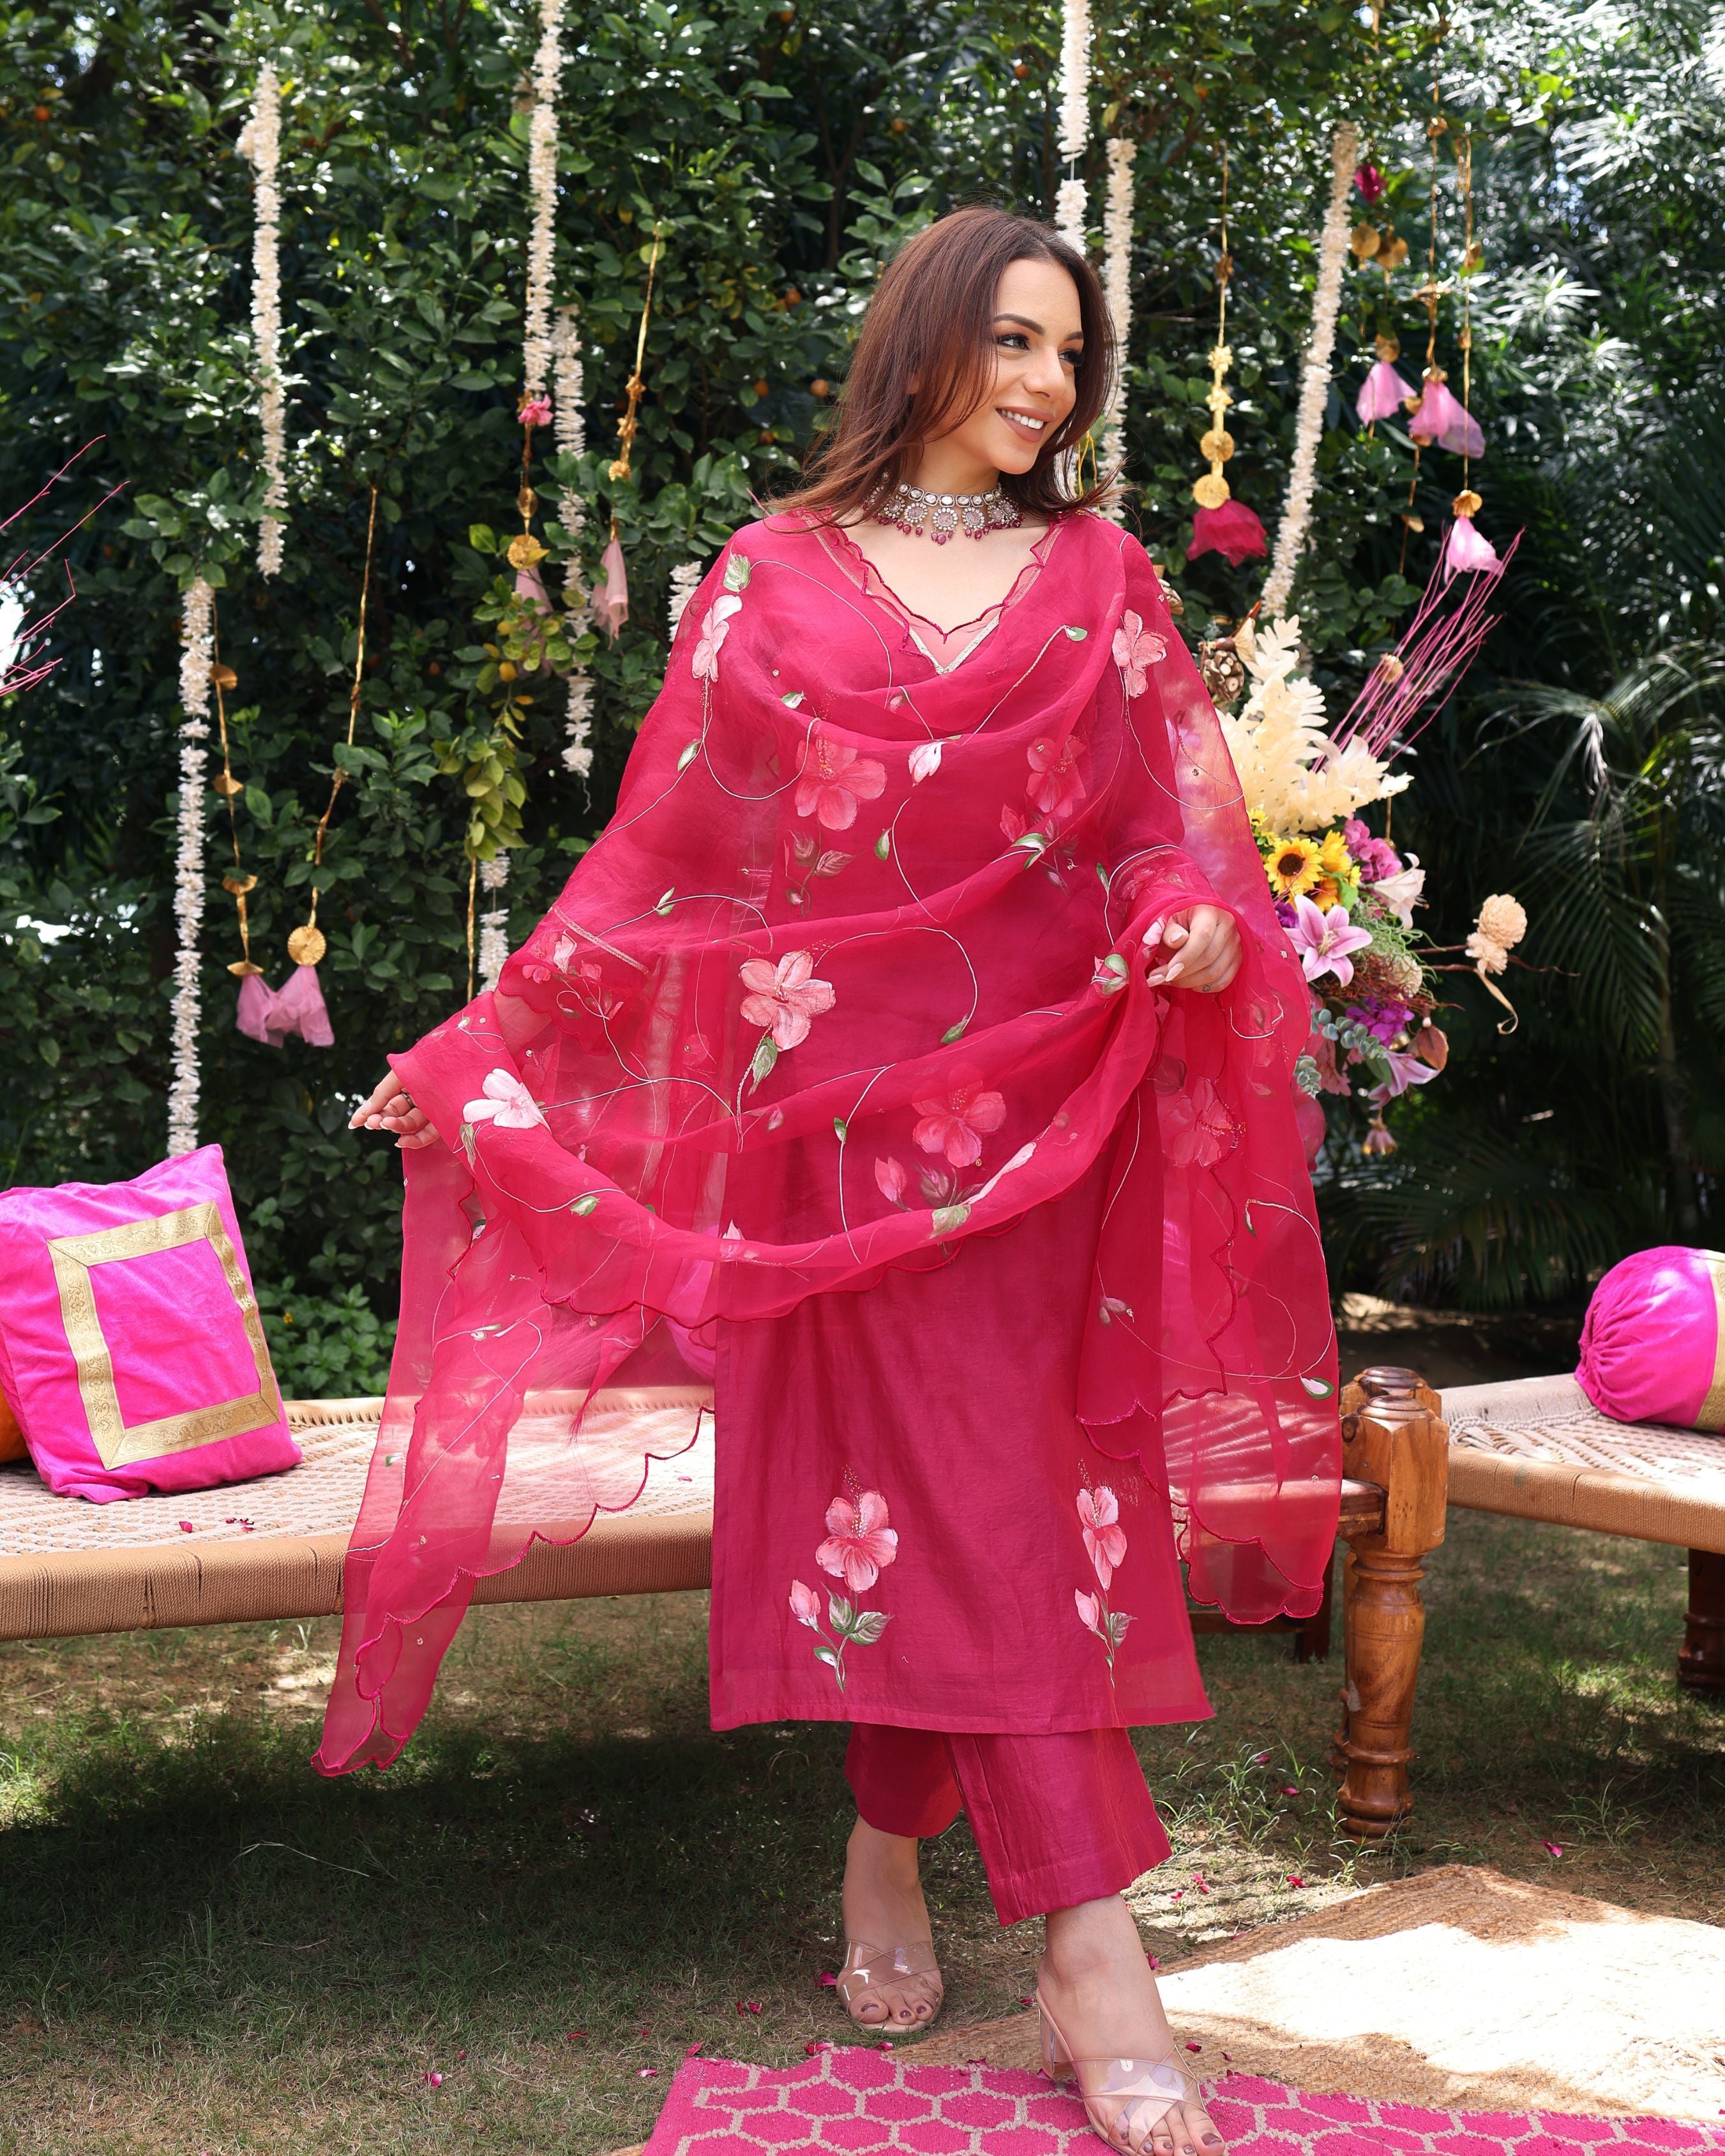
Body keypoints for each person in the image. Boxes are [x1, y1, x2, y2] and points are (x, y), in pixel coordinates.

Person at [334, 206, 1339, 2156]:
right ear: (929, 339)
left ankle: (891, 1841)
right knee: (964, 1494)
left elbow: (1160, 819)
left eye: (1072, 354)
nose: (1049, 384)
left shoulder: (1104, 575)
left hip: (1051, 1119)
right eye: (1018, 341)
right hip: (842, 1126)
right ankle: (1093, 1949)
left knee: (990, 1498)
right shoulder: (770, 576)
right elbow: (667, 858)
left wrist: (1193, 915)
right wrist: (489, 1044)